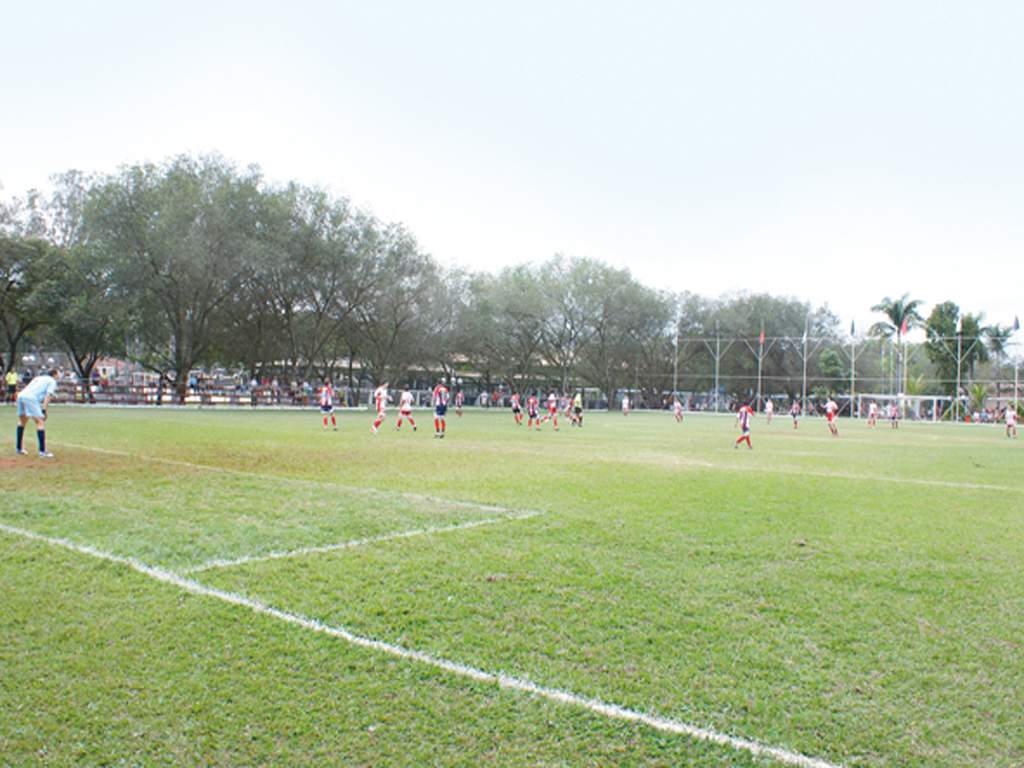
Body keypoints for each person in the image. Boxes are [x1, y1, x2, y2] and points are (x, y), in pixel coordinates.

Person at [16, 368, 58, 458]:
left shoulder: (38, 378)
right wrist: (44, 409)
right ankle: (42, 451)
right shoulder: (52, 381)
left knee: (22, 422)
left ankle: (19, 448)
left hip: (21, 395)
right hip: (30, 397)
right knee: (40, 422)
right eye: (58, 374)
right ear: (54, 374)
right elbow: (48, 395)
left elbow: (29, 388)